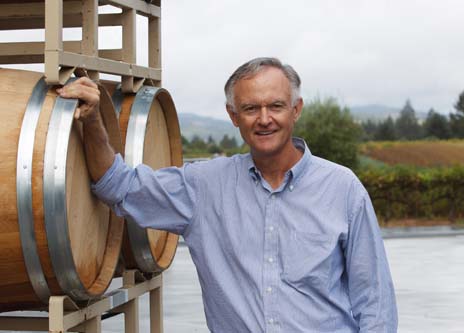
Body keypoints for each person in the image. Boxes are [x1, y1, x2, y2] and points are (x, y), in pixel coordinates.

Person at [58, 57, 398, 332]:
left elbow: (376, 305)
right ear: (233, 116)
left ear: (296, 110)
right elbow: (118, 186)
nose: (264, 119)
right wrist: (92, 122)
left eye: (276, 106)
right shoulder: (203, 186)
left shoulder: (342, 188)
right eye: (251, 109)